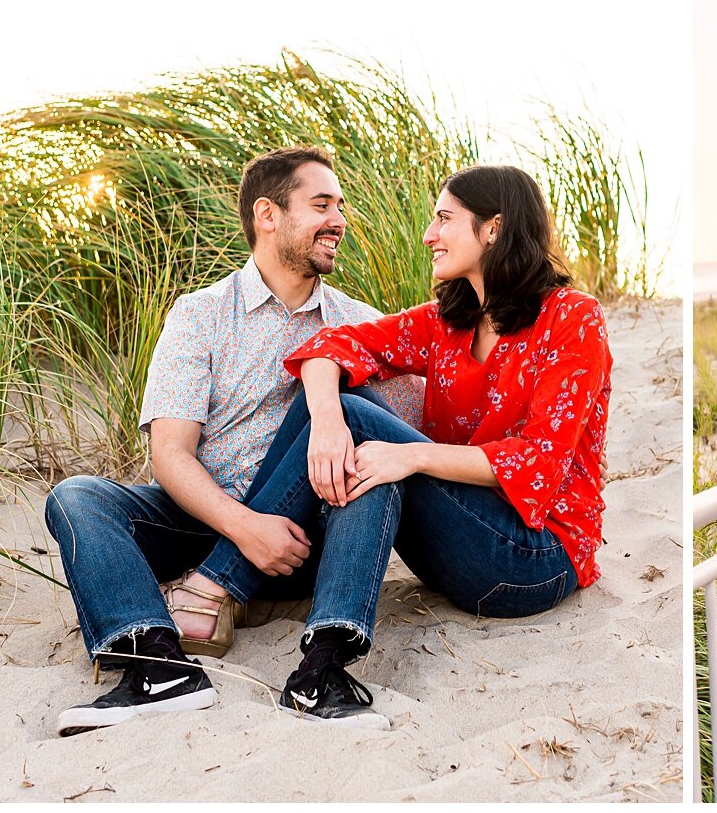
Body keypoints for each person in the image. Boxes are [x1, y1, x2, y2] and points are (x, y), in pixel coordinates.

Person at [156, 163, 612, 728]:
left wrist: (411, 454)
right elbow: (330, 344)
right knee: (354, 423)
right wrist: (325, 420)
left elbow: (540, 461)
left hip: (535, 557)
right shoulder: (448, 323)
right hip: (458, 544)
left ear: (492, 229)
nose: (428, 235)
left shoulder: (572, 319)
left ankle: (216, 585)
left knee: (368, 432)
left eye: (444, 219)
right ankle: (321, 666)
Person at [45, 147, 425, 736]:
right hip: (206, 519)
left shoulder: (359, 325)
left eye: (341, 207)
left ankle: (321, 674)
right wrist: (246, 528)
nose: (339, 221)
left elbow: (410, 426)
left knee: (364, 461)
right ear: (268, 215)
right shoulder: (200, 315)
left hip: (309, 541)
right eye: (321, 205)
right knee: (77, 498)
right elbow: (170, 453)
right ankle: (156, 668)